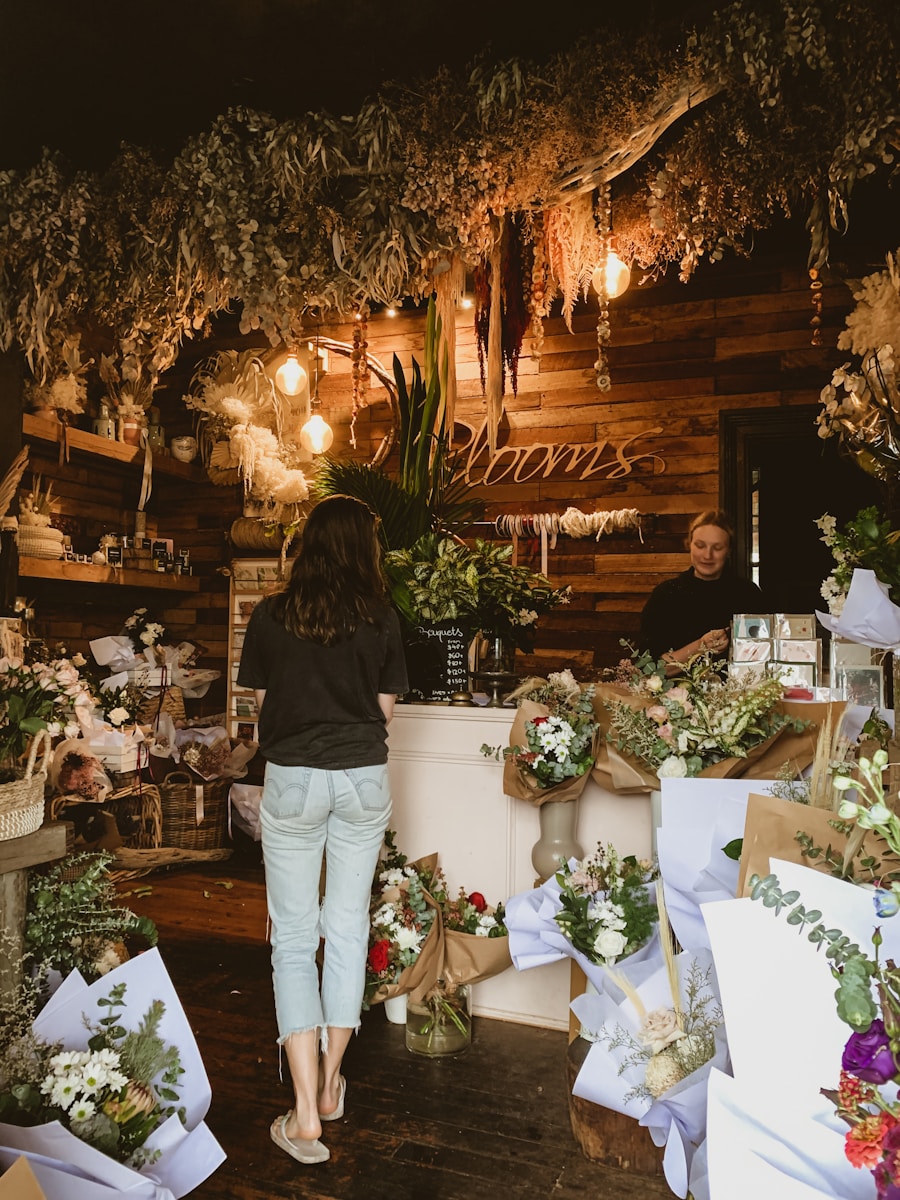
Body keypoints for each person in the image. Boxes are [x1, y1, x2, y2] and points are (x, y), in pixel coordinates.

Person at [237, 494, 408, 1166]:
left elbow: (262, 706)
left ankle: (305, 1111)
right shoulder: (382, 617)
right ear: (365, 549)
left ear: (308, 544)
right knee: (348, 928)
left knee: (292, 939)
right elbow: (384, 712)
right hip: (362, 778)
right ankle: (333, 1082)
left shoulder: (270, 615)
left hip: (294, 781)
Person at [638, 509, 766, 670]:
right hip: (675, 687)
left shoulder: (748, 594)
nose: (707, 555)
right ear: (689, 545)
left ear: (729, 551)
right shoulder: (665, 595)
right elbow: (649, 669)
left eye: (717, 548)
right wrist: (700, 646)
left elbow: (764, 657)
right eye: (700, 545)